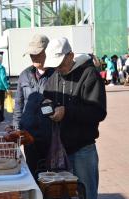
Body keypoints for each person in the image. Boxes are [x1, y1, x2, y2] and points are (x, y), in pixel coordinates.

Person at [43, 37, 107, 199]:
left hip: (83, 149)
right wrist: (47, 107)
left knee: (86, 193)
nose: (58, 68)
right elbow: (47, 98)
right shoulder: (55, 77)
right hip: (60, 149)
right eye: (55, 64)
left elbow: (98, 112)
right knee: (62, 194)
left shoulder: (89, 75)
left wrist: (67, 111)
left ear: (70, 56)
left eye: (61, 63)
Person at [10, 34, 54, 177]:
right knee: (32, 173)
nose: (32, 57)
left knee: (52, 176)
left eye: (36, 53)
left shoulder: (57, 74)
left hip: (51, 134)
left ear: (47, 52)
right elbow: (18, 103)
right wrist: (16, 128)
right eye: (31, 53)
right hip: (29, 135)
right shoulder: (24, 75)